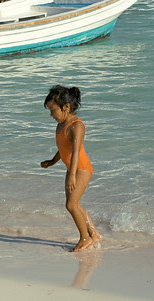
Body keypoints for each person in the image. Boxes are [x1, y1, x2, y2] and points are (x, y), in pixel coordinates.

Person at [41, 85, 102, 252]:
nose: (51, 115)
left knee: (71, 205)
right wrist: (52, 162)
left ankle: (84, 238)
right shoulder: (61, 125)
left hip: (81, 169)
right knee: (75, 204)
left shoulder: (77, 126)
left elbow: (75, 152)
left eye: (53, 110)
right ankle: (94, 234)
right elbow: (64, 149)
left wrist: (73, 175)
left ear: (66, 107)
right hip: (72, 169)